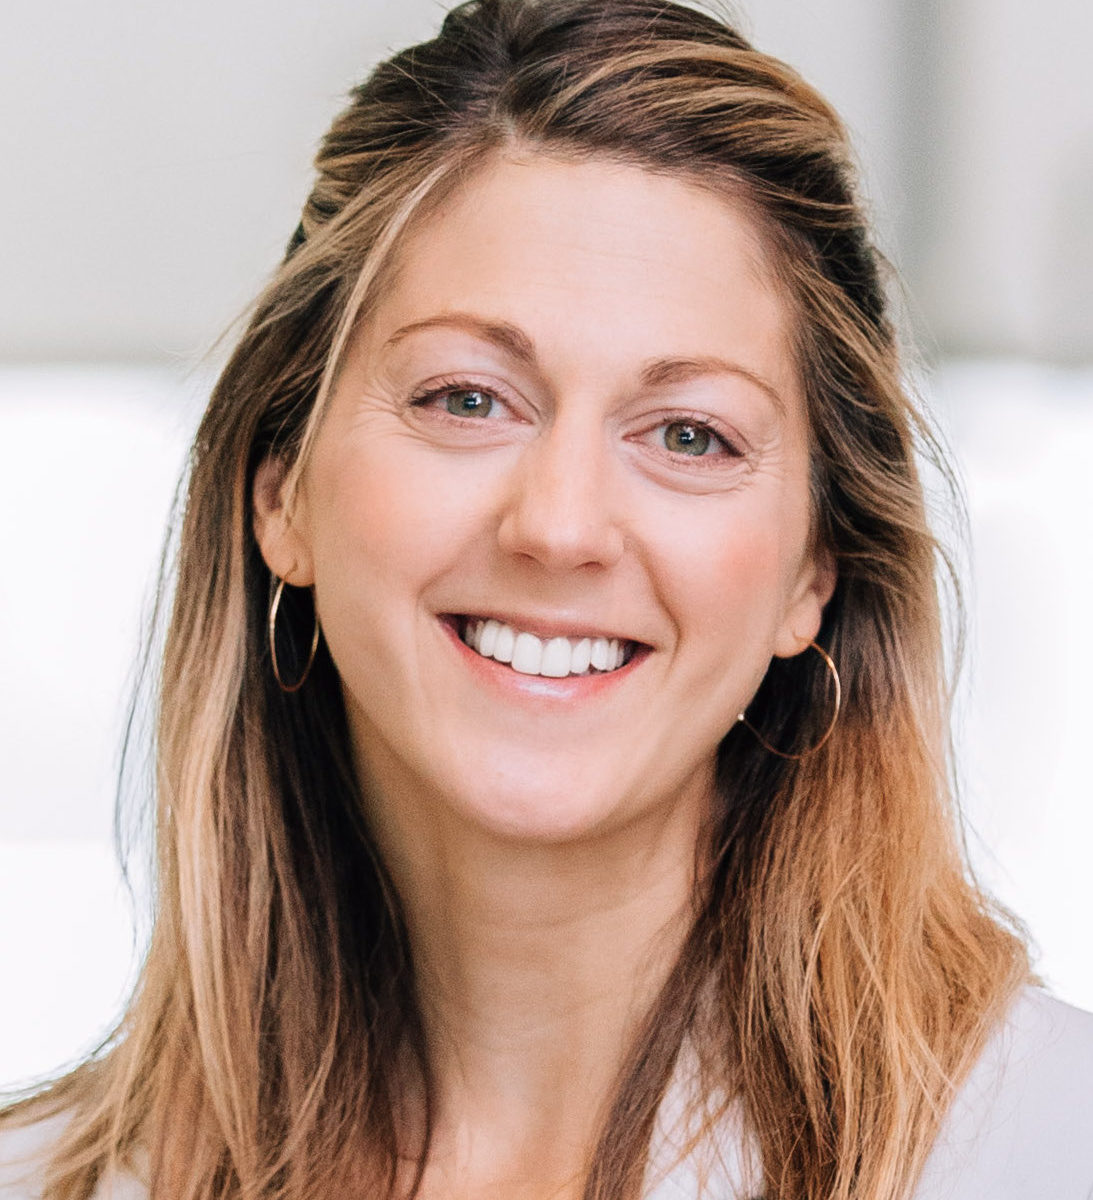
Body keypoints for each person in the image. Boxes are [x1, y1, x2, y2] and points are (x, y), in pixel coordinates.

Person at [3, 0, 1092, 1197]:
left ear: (812, 575)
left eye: (690, 433)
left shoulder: (1047, 1147)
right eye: (467, 399)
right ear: (283, 492)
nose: (559, 525)